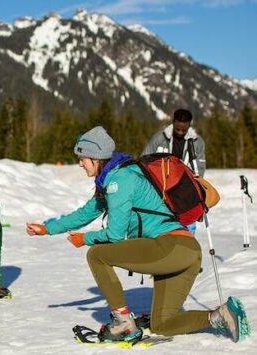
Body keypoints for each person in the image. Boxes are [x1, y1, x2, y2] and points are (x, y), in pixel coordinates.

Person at [26, 126, 249, 343]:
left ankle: (122, 322)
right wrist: (47, 229)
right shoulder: (117, 178)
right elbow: (85, 213)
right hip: (186, 251)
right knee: (163, 323)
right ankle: (220, 315)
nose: (80, 164)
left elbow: (114, 235)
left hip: (169, 247)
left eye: (82, 158)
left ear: (96, 157)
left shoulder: (118, 181)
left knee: (97, 255)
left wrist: (84, 239)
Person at [142, 108, 206, 176]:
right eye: (177, 129)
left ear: (189, 125)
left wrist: (196, 183)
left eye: (184, 130)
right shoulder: (158, 138)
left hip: (186, 181)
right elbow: (144, 159)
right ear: (173, 122)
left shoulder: (197, 142)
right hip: (160, 179)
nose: (180, 132)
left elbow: (200, 167)